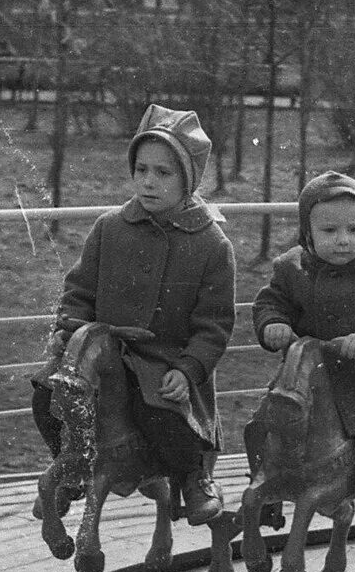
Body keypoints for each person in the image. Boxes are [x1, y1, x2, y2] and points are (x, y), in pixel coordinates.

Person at [32, 104, 236, 526]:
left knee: (162, 416)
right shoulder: (110, 228)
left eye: (164, 173)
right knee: (46, 397)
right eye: (141, 169)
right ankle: (71, 467)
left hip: (163, 359)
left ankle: (192, 478)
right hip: (101, 351)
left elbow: (213, 324)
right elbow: (80, 290)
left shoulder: (212, 245)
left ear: (188, 180)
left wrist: (188, 368)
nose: (148, 181)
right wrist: (67, 329)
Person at [245, 170, 355, 553]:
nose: (343, 240)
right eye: (330, 231)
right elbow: (271, 301)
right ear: (308, 232)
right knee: (263, 419)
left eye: (354, 230)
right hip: (307, 368)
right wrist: (273, 324)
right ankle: (266, 485)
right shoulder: (291, 268)